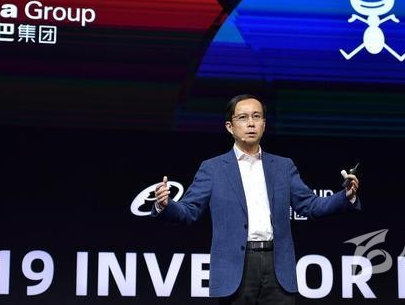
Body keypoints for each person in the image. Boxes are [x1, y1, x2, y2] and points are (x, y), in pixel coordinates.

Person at [152, 94, 360, 304]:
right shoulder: (212, 169)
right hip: (235, 269)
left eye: (256, 116)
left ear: (264, 124)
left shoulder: (283, 166)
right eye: (243, 117)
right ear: (230, 127)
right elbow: (189, 211)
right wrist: (165, 204)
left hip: (277, 268)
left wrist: (346, 196)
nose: (251, 123)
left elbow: (310, 205)